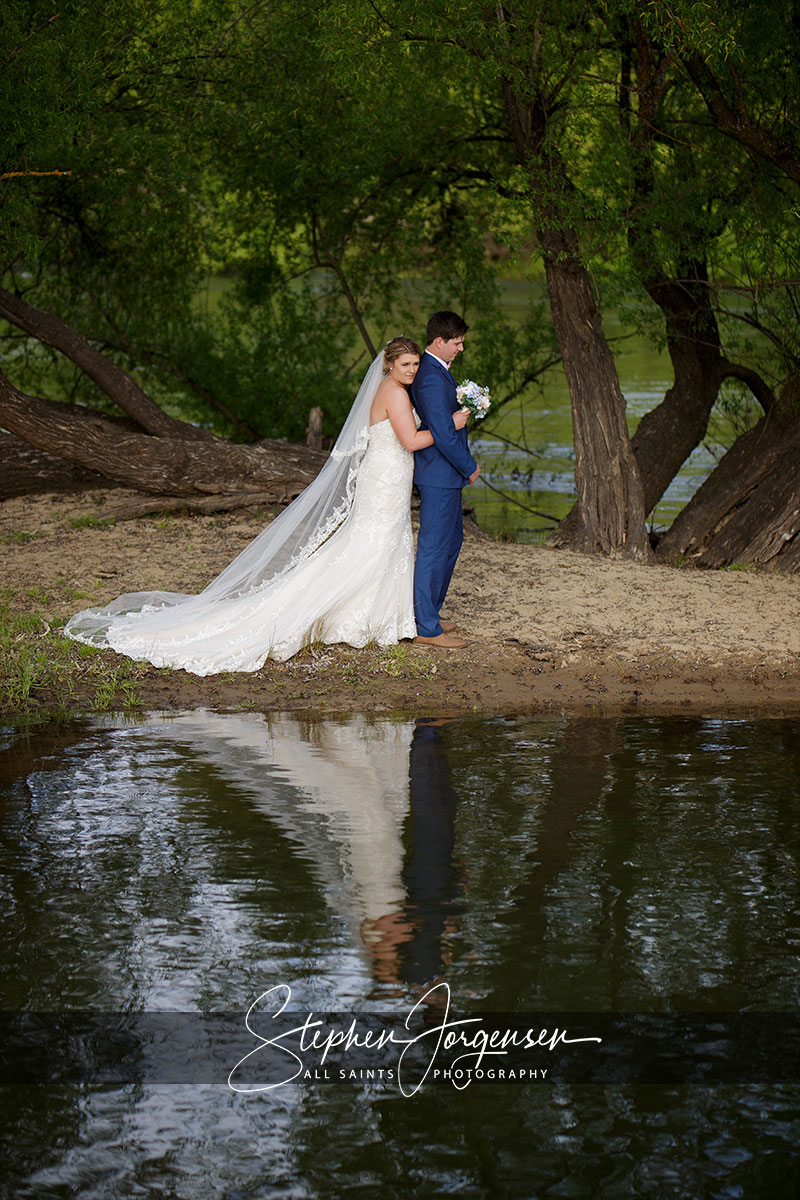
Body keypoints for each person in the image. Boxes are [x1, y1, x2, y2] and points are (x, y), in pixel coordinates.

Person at [64, 338, 468, 675]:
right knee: (374, 543)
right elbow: (411, 441)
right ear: (389, 365)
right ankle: (357, 616)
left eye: (415, 364)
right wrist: (450, 425)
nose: (412, 370)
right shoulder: (394, 393)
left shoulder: (395, 390)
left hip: (390, 477)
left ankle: (387, 616)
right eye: (405, 364)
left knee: (383, 543)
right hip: (384, 478)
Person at [411, 311, 480, 649]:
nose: (461, 348)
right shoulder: (429, 377)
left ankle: (430, 613)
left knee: (451, 542)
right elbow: (442, 431)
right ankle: (425, 627)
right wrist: (469, 466)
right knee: (434, 547)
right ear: (439, 341)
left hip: (445, 474)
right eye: (457, 342)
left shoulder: (438, 371)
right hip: (438, 473)